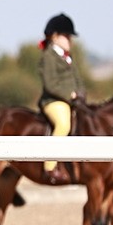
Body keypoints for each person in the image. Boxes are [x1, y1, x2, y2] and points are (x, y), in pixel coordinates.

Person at [37, 13, 88, 184]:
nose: (69, 40)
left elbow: (78, 79)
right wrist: (70, 95)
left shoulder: (68, 57)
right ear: (54, 36)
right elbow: (50, 84)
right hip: (54, 101)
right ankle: (49, 166)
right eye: (66, 36)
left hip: (72, 100)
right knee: (63, 123)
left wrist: (81, 93)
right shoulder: (48, 56)